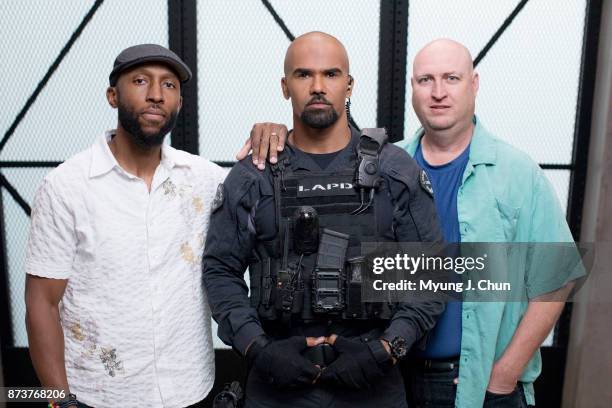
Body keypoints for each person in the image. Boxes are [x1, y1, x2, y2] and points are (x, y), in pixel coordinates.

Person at [246, 37, 575, 408]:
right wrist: (276, 134)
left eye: (451, 78)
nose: (438, 92)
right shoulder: (386, 165)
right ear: (412, 89)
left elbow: (557, 276)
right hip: (393, 373)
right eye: (425, 80)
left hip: (480, 381)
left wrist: (505, 372)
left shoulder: (517, 172)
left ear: (474, 83)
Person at [202, 31, 445, 408]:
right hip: (276, 380)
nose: (318, 86)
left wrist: (386, 349)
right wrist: (258, 349)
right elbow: (220, 271)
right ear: (285, 86)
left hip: (373, 381)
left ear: (349, 85)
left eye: (331, 75)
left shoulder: (394, 171)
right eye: (303, 75)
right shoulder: (253, 177)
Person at [24, 44, 228, 408]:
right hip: (99, 395)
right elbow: (42, 303)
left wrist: (273, 132)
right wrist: (58, 401)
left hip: (190, 389)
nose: (155, 95)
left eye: (168, 86)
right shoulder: (66, 187)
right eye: (140, 81)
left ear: (179, 103)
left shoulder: (205, 179)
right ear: (112, 96)